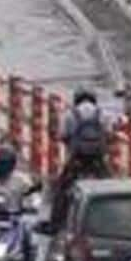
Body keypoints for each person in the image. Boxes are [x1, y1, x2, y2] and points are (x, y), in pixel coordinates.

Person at [51, 90, 113, 231]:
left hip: (77, 157)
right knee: (110, 184)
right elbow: (109, 134)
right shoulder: (103, 113)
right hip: (97, 158)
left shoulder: (70, 114)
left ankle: (55, 223)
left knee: (61, 187)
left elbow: (62, 135)